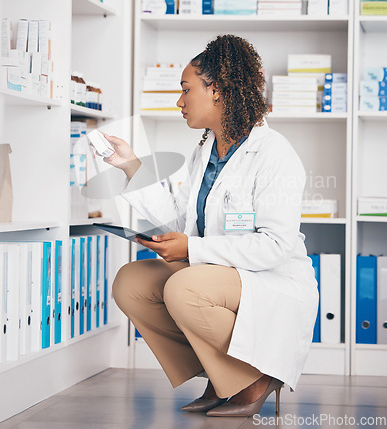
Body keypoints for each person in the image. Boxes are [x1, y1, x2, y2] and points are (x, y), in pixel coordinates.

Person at [104, 34, 319, 417]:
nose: (179, 101)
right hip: (218, 273)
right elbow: (176, 213)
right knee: (131, 284)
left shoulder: (273, 153)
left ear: (216, 90)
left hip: (269, 277)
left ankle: (254, 380)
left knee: (183, 287)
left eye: (186, 90)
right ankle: (223, 376)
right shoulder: (206, 150)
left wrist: (191, 249)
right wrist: (131, 165)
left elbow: (275, 245)